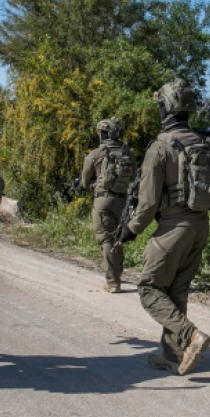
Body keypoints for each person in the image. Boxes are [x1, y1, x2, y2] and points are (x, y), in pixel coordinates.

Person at [118, 79, 210, 375]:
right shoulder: (201, 142)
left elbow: (147, 204)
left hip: (174, 228)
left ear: (168, 107)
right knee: (177, 291)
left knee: (148, 288)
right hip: (200, 226)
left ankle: (191, 336)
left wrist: (130, 230)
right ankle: (173, 356)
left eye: (161, 105)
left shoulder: (160, 147)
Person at [80, 117, 136, 293]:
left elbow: (84, 180)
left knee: (105, 238)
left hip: (103, 199)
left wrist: (84, 184)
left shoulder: (96, 153)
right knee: (118, 238)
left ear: (104, 134)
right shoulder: (127, 153)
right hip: (122, 201)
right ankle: (117, 274)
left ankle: (112, 282)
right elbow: (134, 173)